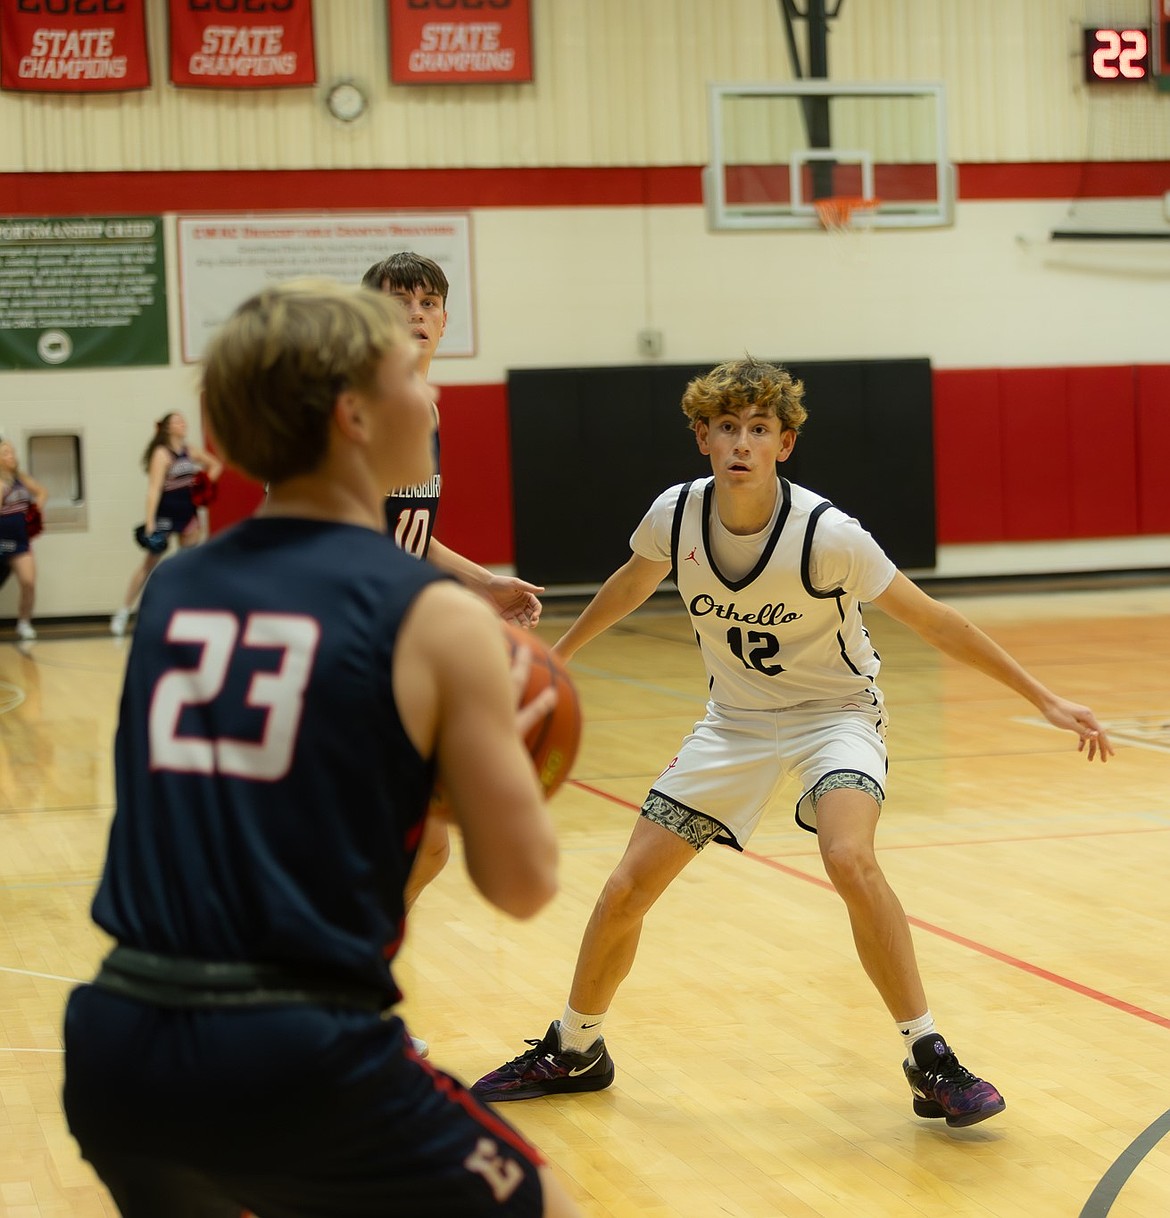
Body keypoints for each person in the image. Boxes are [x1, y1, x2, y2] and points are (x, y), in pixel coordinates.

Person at [471, 355, 1113, 1129]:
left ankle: (928, 1054)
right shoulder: (675, 516)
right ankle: (575, 1050)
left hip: (836, 714)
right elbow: (631, 583)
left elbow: (935, 618)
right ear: (702, 436)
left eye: (760, 429)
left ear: (785, 442)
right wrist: (556, 661)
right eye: (728, 428)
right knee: (625, 890)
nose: (743, 442)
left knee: (848, 857)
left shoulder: (828, 535)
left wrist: (1042, 696)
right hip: (732, 723)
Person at [63, 278, 583, 1218]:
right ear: (352, 415)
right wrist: (472, 767)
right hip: (291, 1048)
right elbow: (523, 884)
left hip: (118, 1041)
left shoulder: (175, 592)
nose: (427, 395)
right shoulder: (432, 622)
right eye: (404, 375)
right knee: (546, 1200)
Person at [361, 252, 543, 978]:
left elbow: (401, 527)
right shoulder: (362, 399)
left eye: (430, 301)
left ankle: (349, 983)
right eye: (400, 300)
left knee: (424, 843)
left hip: (393, 639)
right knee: (394, 840)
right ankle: (336, 990)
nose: (417, 313)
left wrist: (479, 582)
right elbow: (326, 521)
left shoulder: (419, 401)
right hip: (358, 641)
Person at [110, 411, 223, 637]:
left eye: (184, 419)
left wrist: (203, 487)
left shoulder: (190, 450)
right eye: (177, 421)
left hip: (188, 513)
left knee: (190, 565)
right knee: (148, 565)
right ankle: (123, 613)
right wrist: (150, 522)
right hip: (165, 514)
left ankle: (187, 614)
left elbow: (216, 465)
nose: (183, 423)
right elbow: (153, 490)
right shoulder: (162, 454)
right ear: (168, 428)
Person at [0, 438, 48, 642]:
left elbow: (42, 492)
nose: (11, 456)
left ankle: (24, 623)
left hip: (20, 542)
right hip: (1, 541)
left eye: (12, 452)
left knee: (28, 582)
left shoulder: (20, 477)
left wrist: (34, 512)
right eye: (5, 453)